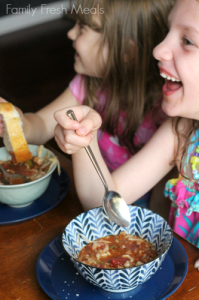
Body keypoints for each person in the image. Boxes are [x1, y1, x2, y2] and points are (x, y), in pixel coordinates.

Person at [0, 0, 175, 208]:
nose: (71, 33)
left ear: (127, 52)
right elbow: (40, 124)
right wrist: (17, 123)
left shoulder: (168, 112)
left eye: (82, 28)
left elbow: (157, 207)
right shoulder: (88, 85)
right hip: (89, 194)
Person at [54, 0, 199, 249]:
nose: (158, 49)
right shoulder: (182, 132)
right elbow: (103, 203)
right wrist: (82, 139)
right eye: (167, 32)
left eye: (187, 40)